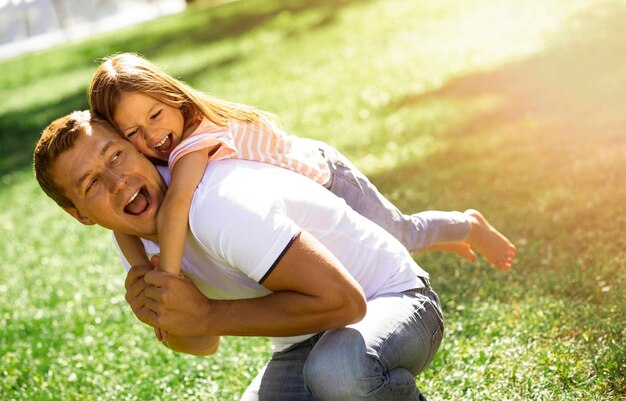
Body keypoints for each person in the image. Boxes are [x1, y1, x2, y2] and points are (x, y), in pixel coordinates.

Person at [33, 111, 515, 400]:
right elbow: (202, 345)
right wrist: (162, 314)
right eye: (92, 183)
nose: (117, 181)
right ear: (82, 215)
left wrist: (205, 312)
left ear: (139, 151)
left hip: (392, 299)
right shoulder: (137, 243)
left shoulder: (216, 205)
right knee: (324, 367)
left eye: (116, 156)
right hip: (304, 337)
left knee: (339, 374)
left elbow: (347, 303)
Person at [88, 53, 515, 278]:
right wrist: (139, 270)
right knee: (388, 243)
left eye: (155, 116)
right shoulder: (161, 150)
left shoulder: (193, 144)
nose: (150, 137)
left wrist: (167, 278)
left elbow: (179, 203)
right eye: (131, 134)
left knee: (400, 235)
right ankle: (443, 237)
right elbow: (118, 222)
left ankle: (468, 225)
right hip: (305, 198)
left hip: (330, 181)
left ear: (172, 96)